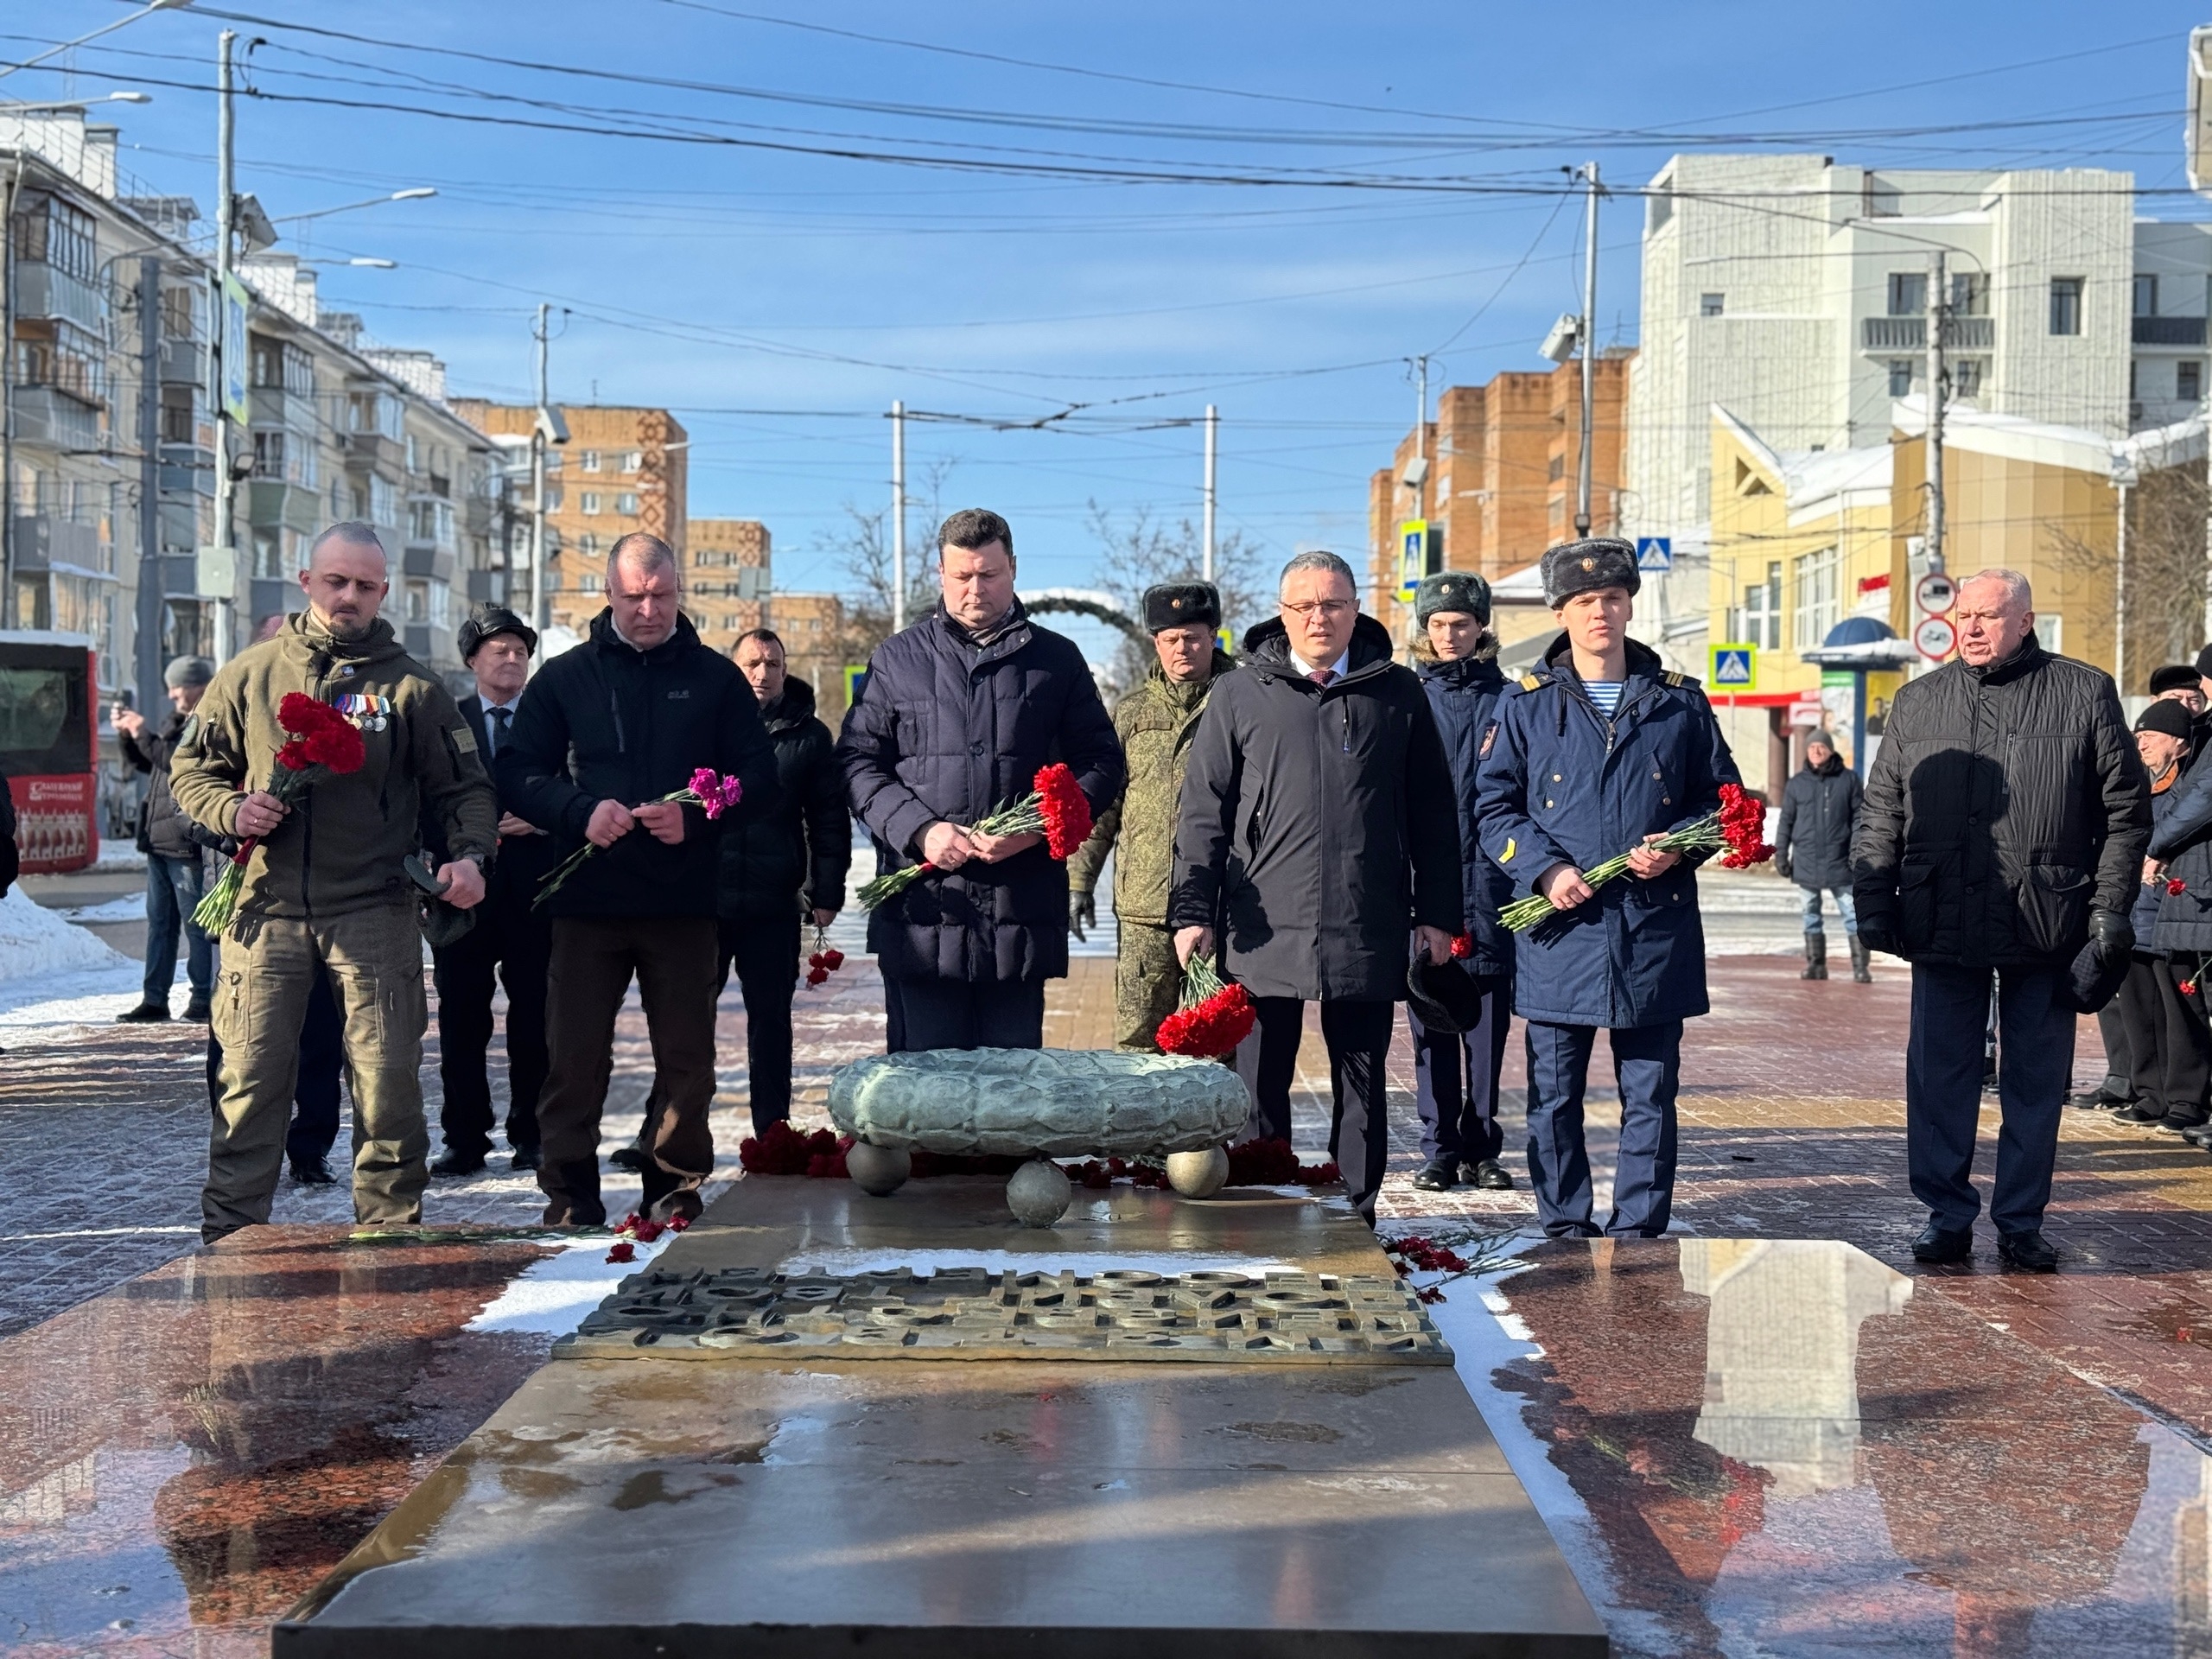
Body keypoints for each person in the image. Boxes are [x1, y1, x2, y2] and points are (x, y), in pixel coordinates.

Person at [168, 522, 497, 1243]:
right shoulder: (250, 675)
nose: (349, 596)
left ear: (384, 592)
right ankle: (231, 1242)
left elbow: (464, 789)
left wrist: (471, 855)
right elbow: (191, 771)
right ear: (307, 582)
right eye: (336, 581)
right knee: (249, 1085)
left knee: (387, 1087)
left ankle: (389, 1239)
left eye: (365, 586)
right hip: (265, 911)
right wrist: (231, 809)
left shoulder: (412, 687)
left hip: (374, 911)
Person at [1853, 569, 2147, 1272]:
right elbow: (1882, 808)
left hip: (2046, 916)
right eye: (1964, 616)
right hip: (1941, 916)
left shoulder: (2083, 691)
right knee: (1939, 1076)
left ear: (2025, 620)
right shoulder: (1920, 701)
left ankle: (2020, 1221)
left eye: (1988, 616)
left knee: (2035, 1081)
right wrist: (1874, 899)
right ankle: (1946, 1216)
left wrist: (2109, 907)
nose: (1973, 628)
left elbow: (2126, 813)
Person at [1170, 550, 1460, 1222]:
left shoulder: (1397, 692)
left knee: (1361, 1084)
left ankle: (1355, 1218)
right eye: (1303, 606)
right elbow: (1204, 811)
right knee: (1259, 1084)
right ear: (1282, 613)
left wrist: (1438, 913)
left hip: (1366, 918)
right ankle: (1260, 1214)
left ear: (1355, 610)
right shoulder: (1240, 693)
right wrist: (1192, 910)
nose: (1318, 618)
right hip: (1261, 925)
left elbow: (1433, 813)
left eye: (1332, 604)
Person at [498, 532, 778, 1226]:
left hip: (683, 901)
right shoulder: (566, 677)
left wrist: (698, 818)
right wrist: (579, 812)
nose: (648, 610)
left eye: (660, 596)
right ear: (609, 595)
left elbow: (759, 777)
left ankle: (674, 1185)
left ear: (680, 592)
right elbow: (518, 771)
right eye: (633, 597)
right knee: (573, 1058)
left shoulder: (715, 679)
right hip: (586, 902)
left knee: (687, 1058)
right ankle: (569, 1195)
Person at [1473, 537, 1740, 1240]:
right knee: (1555, 1092)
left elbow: (1722, 803)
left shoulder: (1679, 703)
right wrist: (1545, 869)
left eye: (1613, 598)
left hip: (1653, 929)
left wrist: (1678, 849)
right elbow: (1493, 808)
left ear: (1630, 605)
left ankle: (1639, 1225)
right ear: (1560, 613)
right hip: (1562, 928)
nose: (1601, 612)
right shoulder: (1524, 706)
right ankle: (1565, 1222)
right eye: (1585, 601)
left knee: (1650, 1091)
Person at [837, 508, 1124, 1052]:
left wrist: (1036, 828)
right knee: (924, 1089)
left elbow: (1102, 762)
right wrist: (920, 830)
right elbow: (856, 762)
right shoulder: (898, 659)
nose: (976, 589)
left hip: (1019, 915)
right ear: (941, 574)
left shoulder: (1056, 660)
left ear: (1013, 568)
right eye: (962, 576)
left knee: (1010, 1090)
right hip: (924, 914)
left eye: (989, 574)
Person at [615, 626, 851, 1160]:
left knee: (771, 1021)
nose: (763, 674)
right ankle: (660, 1133)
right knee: (684, 1020)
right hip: (704, 899)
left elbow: (828, 819)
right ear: (732, 668)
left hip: (773, 901)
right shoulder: (703, 725)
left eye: (773, 664)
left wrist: (826, 889)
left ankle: (774, 1134)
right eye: (752, 663)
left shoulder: (809, 736)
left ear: (785, 670)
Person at [1068, 582, 1236, 1051]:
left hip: (1222, 908)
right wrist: (1079, 881)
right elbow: (1104, 807)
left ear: (1213, 636)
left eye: (1193, 637)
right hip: (1145, 907)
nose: (1182, 648)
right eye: (1170, 638)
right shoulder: (1131, 715)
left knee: (1215, 1045)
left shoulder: (1241, 705)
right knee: (1139, 1042)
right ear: (1155, 642)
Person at [429, 606, 558, 1178]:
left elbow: (578, 786)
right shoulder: (445, 721)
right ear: (472, 660)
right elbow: (424, 795)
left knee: (536, 1021)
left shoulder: (550, 721)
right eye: (500, 650)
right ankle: (464, 1138)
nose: (512, 659)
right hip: (463, 895)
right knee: (461, 1021)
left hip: (535, 893)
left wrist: (545, 819)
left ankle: (533, 1134)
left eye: (521, 651)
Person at [1406, 571, 1516, 1193]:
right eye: (1439, 624)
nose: (1450, 635)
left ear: (1481, 627)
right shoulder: (1407, 696)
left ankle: (1482, 1146)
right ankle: (1440, 1149)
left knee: (1488, 1032)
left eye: (1462, 624)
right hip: (1426, 892)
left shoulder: (1511, 699)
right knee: (1432, 1024)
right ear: (1426, 630)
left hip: (1495, 888)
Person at [2113, 700, 2204, 1132]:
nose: (2141, 744)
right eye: (2138, 737)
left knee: (2179, 1014)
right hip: (2135, 914)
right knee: (2138, 1011)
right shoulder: (2138, 782)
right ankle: (2150, 1094)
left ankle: (2186, 1099)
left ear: (2178, 741)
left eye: (2150, 736)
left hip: (2171, 913)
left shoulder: (2188, 784)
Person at [113, 655, 218, 1022]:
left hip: (186, 843)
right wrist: (128, 737)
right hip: (158, 841)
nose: (172, 695)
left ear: (198, 686)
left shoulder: (210, 721)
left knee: (196, 926)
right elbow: (150, 763)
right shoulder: (176, 722)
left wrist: (142, 733)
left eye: (177, 687)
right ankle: (154, 1000)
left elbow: (174, 762)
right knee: (160, 925)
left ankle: (203, 998)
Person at [1775, 729, 1868, 983]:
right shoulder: (1796, 784)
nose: (1816, 751)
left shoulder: (1849, 780)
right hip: (1806, 860)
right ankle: (1816, 965)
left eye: (1821, 747)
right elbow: (1786, 822)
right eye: (1812, 747)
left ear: (1830, 750)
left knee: (1852, 913)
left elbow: (1859, 818)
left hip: (1840, 860)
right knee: (1810, 913)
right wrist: (1781, 853)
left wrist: (1856, 850)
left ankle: (1860, 968)